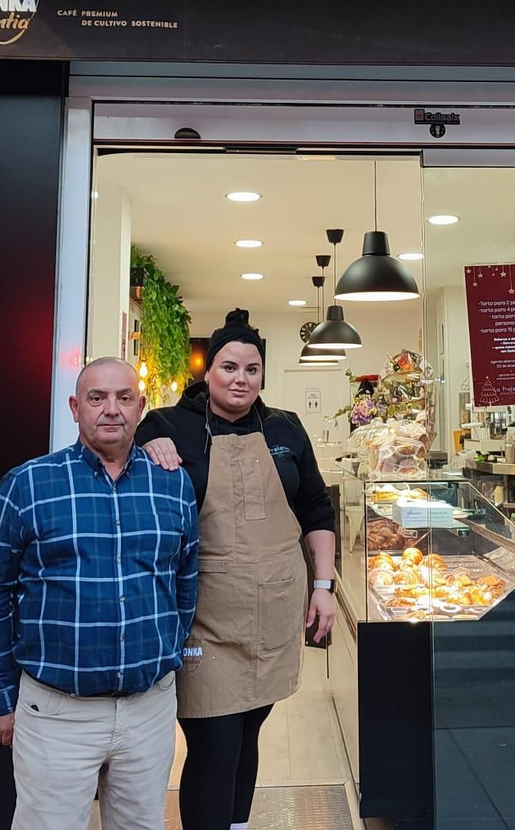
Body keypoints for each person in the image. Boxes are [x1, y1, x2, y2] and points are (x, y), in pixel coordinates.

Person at [0, 357, 199, 830]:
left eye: (123, 398)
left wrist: (164, 655)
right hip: (57, 714)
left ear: (140, 408)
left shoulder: (173, 485)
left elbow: (185, 581)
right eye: (97, 398)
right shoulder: (29, 484)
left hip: (147, 710)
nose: (110, 410)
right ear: (76, 408)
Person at [138, 309, 337, 830]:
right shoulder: (167, 425)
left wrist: (323, 587)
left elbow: (316, 509)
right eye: (229, 367)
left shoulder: (285, 429)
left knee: (249, 729)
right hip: (203, 617)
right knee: (214, 739)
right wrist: (147, 446)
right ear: (209, 372)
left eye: (251, 369)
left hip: (273, 613)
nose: (240, 379)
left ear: (262, 376)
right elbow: (125, 479)